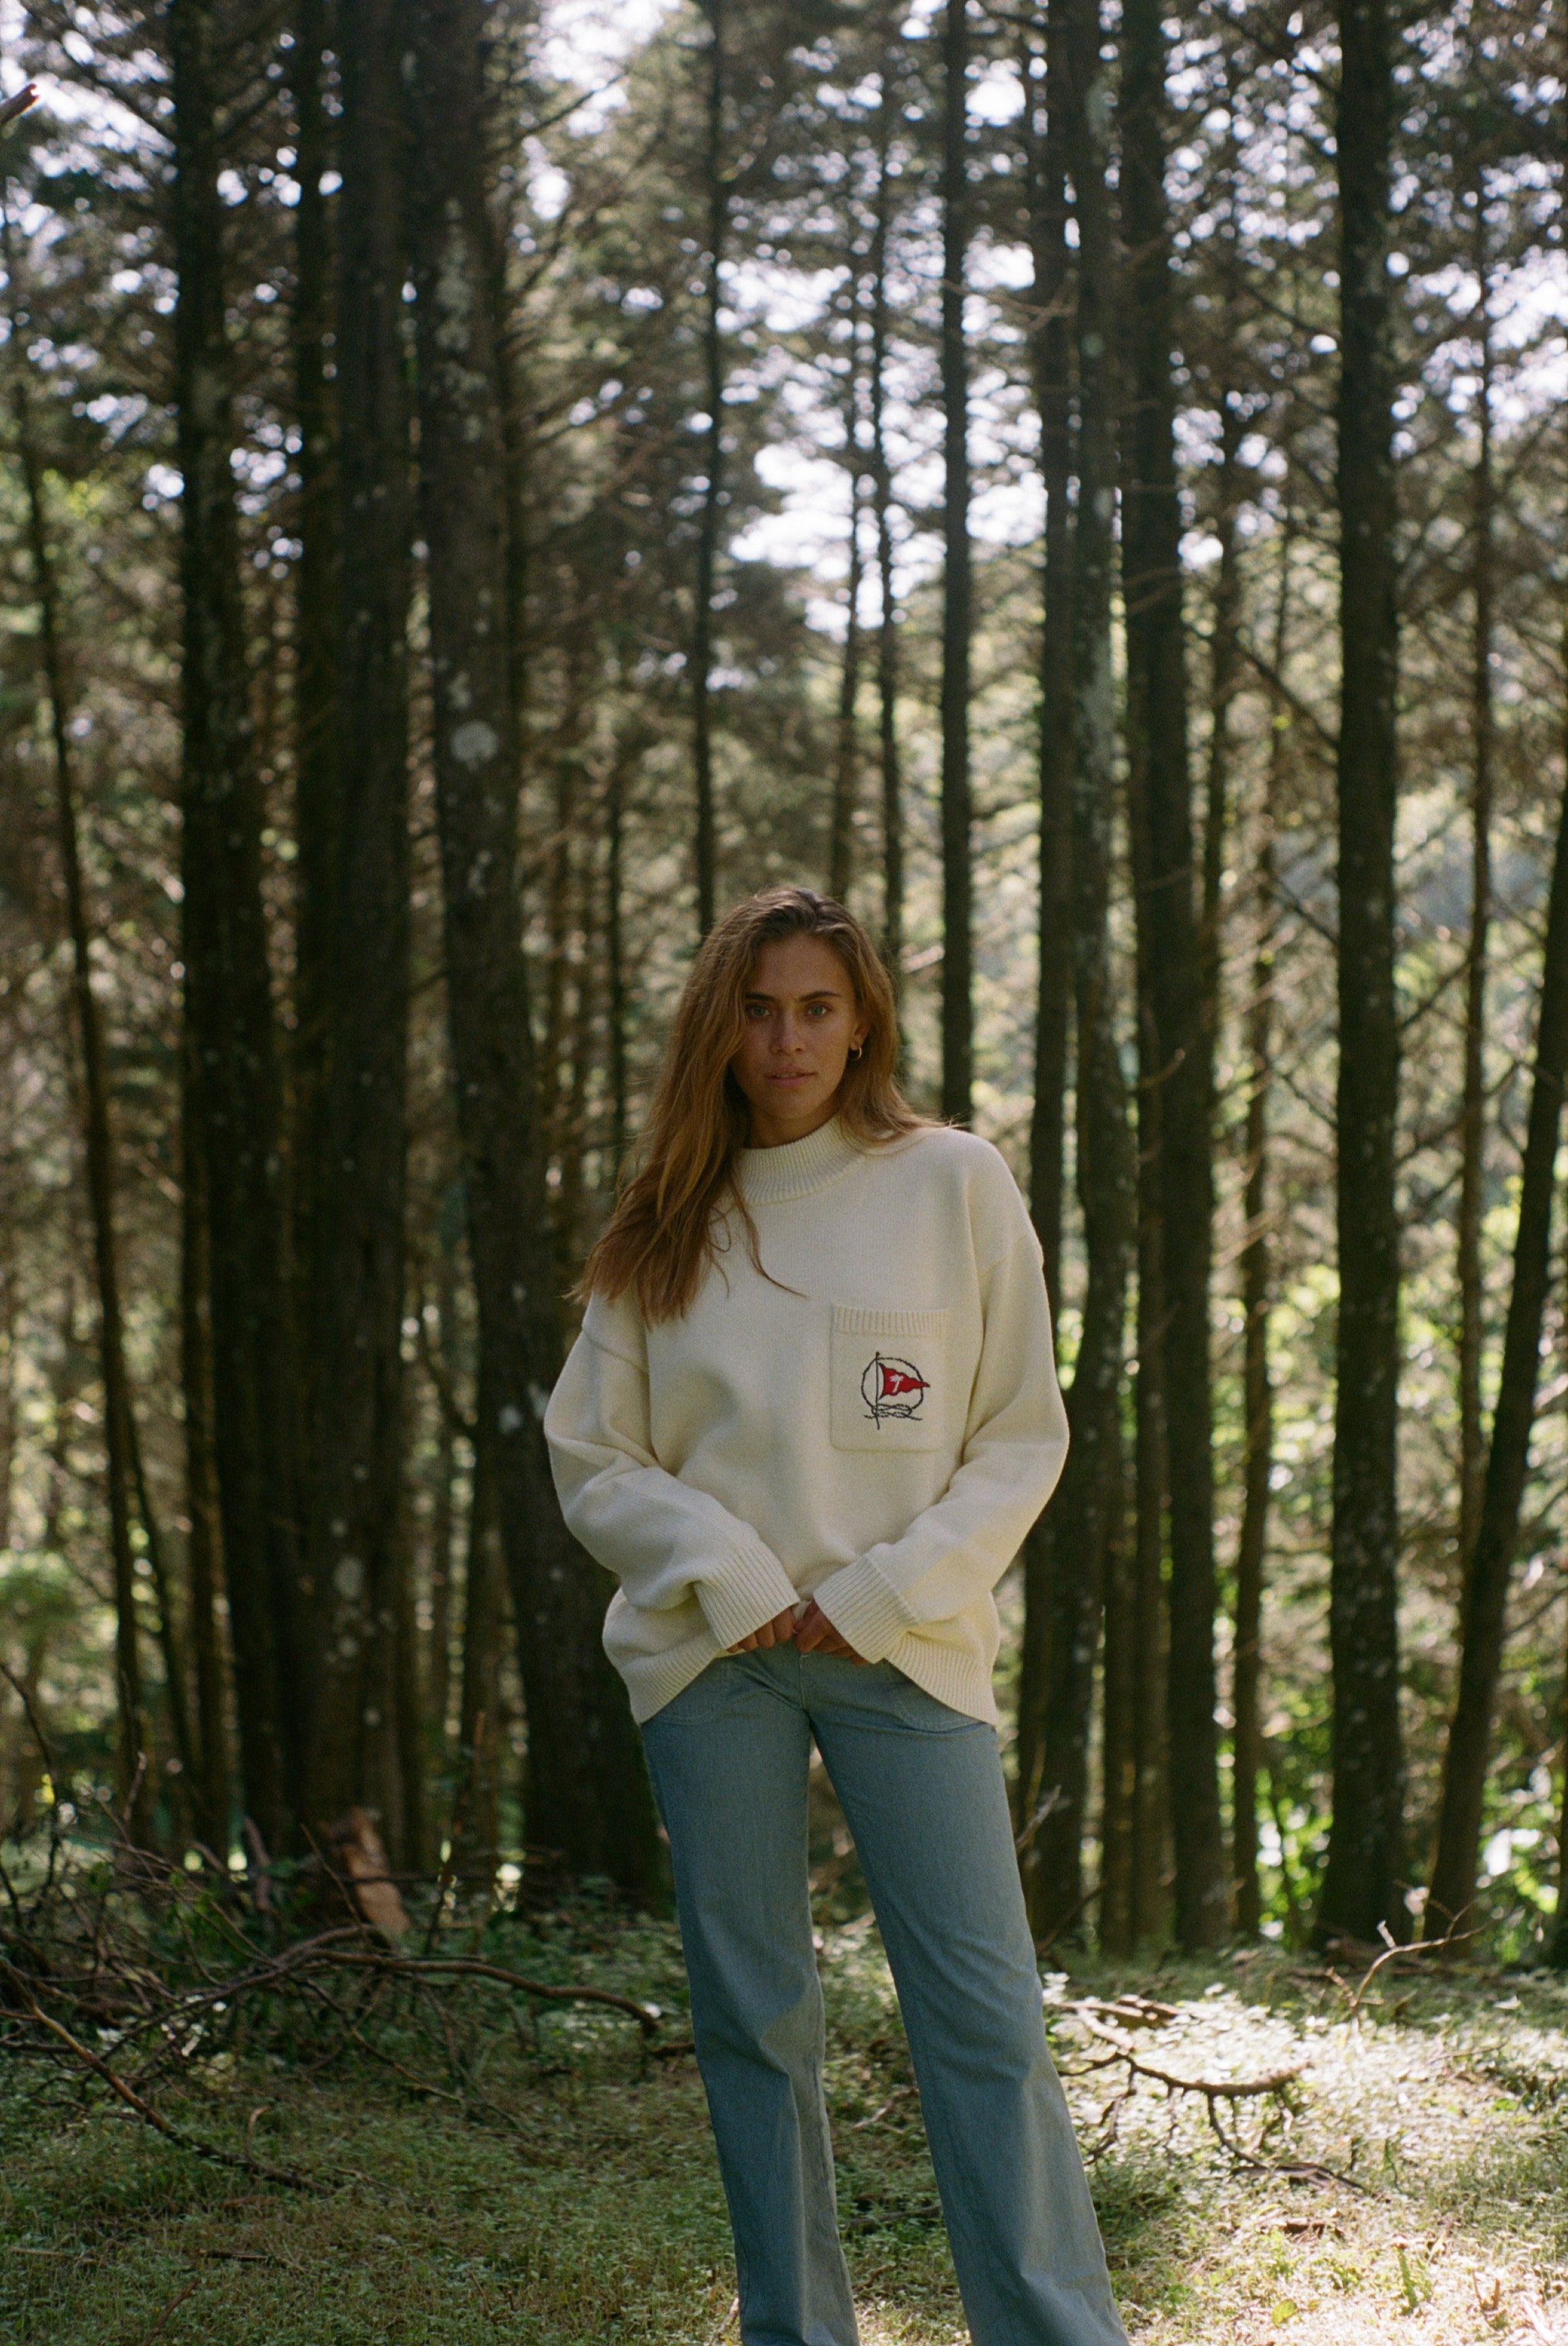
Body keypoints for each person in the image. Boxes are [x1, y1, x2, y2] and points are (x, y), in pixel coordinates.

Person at [545, 886, 1129, 2346]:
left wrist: (880, 1589)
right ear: (718, 1026)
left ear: (863, 1016)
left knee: (983, 2021)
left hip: (905, 1645)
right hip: (716, 1662)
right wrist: (734, 1577)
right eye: (758, 1007)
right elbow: (592, 1455)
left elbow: (1018, 1436)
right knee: (754, 2023)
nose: (787, 1037)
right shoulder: (667, 1217)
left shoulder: (953, 1184)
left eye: (816, 1006)